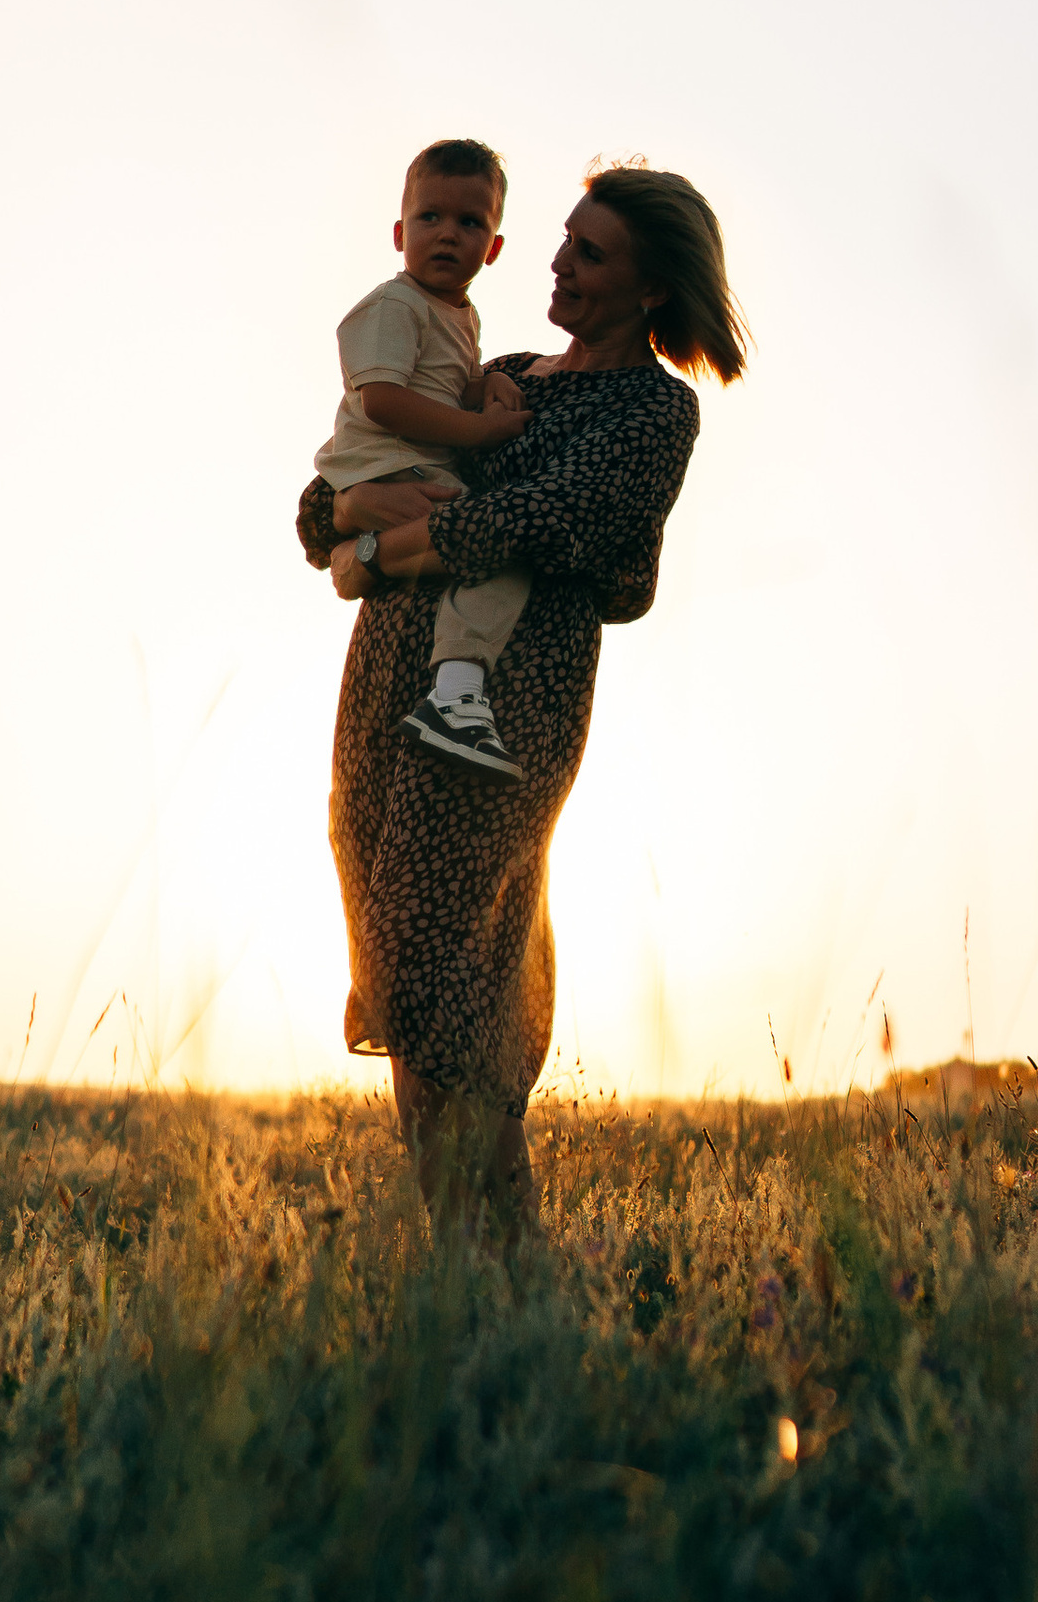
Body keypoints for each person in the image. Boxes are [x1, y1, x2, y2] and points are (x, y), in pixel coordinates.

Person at [297, 159, 747, 1228]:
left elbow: (539, 526)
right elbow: (324, 499)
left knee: (448, 961)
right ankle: (491, 1266)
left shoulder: (648, 410)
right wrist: (350, 516)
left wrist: (397, 543)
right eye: (563, 238)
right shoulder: (490, 367)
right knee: (405, 966)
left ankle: (483, 1254)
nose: (556, 262)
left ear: (648, 289)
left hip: (502, 710)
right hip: (382, 691)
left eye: (590, 253)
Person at [316, 142, 536, 776]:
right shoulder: (393, 306)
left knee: (479, 549)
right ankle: (455, 695)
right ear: (398, 232)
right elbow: (384, 401)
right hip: (385, 464)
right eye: (429, 218)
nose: (447, 235)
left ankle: (359, 566)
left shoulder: (459, 313)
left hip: (416, 471)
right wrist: (479, 430)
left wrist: (484, 385)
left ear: (493, 247)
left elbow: (439, 385)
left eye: (470, 224)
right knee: (498, 549)